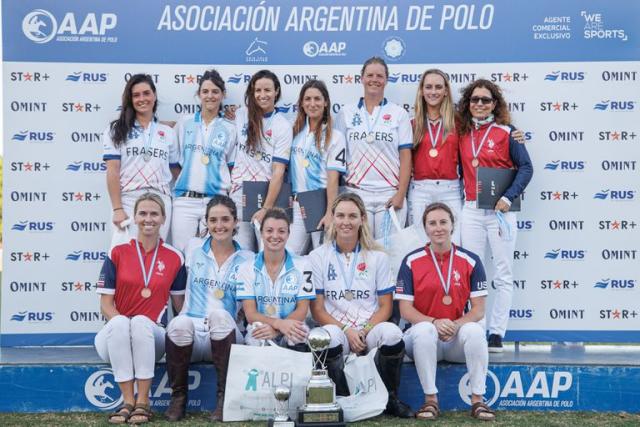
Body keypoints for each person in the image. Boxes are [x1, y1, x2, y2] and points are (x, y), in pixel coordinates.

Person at [309, 192, 413, 418]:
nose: (346, 222)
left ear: (362, 219)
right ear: (333, 219)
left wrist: (364, 330)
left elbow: (386, 307)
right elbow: (317, 310)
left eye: (352, 216)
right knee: (327, 335)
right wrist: (348, 331)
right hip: (339, 329)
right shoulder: (317, 256)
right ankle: (340, 399)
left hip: (369, 329)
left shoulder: (378, 257)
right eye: (340, 216)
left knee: (393, 334)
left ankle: (389, 399)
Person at [396, 202, 494, 421]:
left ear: (453, 225)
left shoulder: (471, 260)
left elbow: (479, 310)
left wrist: (455, 324)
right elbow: (405, 310)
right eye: (432, 223)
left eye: (443, 222)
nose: (438, 228)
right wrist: (434, 322)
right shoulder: (411, 261)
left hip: (454, 339)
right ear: (425, 228)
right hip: (422, 339)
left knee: (476, 331)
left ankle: (478, 400)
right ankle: (431, 400)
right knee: (423, 331)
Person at [94, 193, 186, 424]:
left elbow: (179, 306)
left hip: (152, 336)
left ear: (164, 218)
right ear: (134, 218)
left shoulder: (175, 257)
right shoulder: (117, 252)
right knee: (124, 322)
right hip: (115, 337)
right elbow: (106, 305)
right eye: (142, 213)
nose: (148, 219)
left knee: (140, 322)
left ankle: (142, 402)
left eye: (154, 213)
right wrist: (123, 328)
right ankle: (127, 401)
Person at [457, 79, 533, 352]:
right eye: (475, 99)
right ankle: (477, 329)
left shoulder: (508, 132)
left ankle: (497, 332)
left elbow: (526, 168)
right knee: (473, 272)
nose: (479, 104)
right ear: (468, 104)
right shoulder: (462, 132)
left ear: (494, 104)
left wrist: (507, 197)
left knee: (502, 273)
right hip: (472, 210)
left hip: (501, 211)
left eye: (485, 100)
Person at [164, 195, 252, 421]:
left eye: (225, 219)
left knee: (220, 315)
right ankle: (178, 399)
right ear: (206, 223)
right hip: (192, 336)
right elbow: (179, 291)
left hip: (225, 334)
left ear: (235, 222)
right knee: (179, 322)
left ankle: (223, 399)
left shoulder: (248, 259)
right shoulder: (192, 248)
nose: (219, 225)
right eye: (213, 220)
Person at [335, 57, 413, 240]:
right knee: (362, 252)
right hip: (356, 192)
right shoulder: (346, 113)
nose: (374, 79)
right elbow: (336, 157)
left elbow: (406, 157)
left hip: (390, 193)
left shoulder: (399, 114)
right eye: (369, 75)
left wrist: (401, 194)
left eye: (380, 75)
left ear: (386, 80)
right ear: (361, 78)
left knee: (389, 252)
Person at [103, 74, 180, 241]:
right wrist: (117, 208)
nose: (142, 99)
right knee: (124, 257)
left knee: (155, 257)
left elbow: (176, 171)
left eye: (146, 93)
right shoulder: (116, 130)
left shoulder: (168, 132)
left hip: (160, 200)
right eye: (136, 95)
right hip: (129, 199)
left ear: (154, 95)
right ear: (130, 99)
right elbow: (112, 170)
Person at [170, 69, 237, 253]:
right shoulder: (185, 123)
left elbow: (231, 167)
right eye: (205, 91)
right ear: (199, 94)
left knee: (211, 256)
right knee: (181, 256)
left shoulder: (230, 128)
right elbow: (174, 162)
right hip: (185, 201)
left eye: (215, 91)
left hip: (216, 201)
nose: (210, 96)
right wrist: (188, 180)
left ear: (223, 95)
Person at [230, 70, 292, 252]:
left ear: (277, 91)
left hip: (264, 196)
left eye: (267, 90)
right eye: (258, 90)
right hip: (238, 194)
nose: (262, 95)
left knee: (267, 253)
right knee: (241, 253)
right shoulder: (240, 115)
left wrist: (266, 207)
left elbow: (278, 171)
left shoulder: (282, 125)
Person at [236, 208, 314, 348]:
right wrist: (278, 324)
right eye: (269, 230)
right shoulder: (246, 267)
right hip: (261, 328)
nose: (275, 236)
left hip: (292, 326)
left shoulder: (303, 265)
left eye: (281, 231)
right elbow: (251, 314)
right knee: (256, 338)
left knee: (298, 336)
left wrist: (278, 330)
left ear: (289, 234)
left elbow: (302, 310)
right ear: (261, 233)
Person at [287, 79, 346, 255]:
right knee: (290, 254)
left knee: (323, 256)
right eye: (308, 99)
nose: (312, 104)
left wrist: (330, 212)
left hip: (320, 204)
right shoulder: (295, 131)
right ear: (302, 103)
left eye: (317, 99)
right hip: (297, 205)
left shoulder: (335, 136)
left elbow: (333, 178)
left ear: (326, 102)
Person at [408, 69, 463, 243]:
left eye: (438, 87)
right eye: (429, 87)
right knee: (419, 241)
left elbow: (484, 132)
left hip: (451, 189)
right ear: (421, 91)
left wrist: (513, 133)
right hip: (420, 190)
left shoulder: (458, 122)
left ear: (446, 91)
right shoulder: (412, 123)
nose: (433, 92)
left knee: (454, 241)